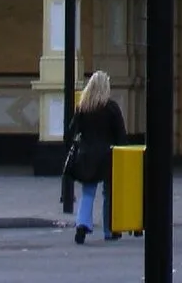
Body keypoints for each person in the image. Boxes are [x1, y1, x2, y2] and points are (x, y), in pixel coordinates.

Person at [66, 70, 127, 243]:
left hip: (87, 155)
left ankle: (82, 224)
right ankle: (110, 230)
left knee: (88, 192)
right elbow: (121, 135)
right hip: (108, 155)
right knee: (109, 193)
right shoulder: (111, 108)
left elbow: (71, 132)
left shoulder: (83, 108)